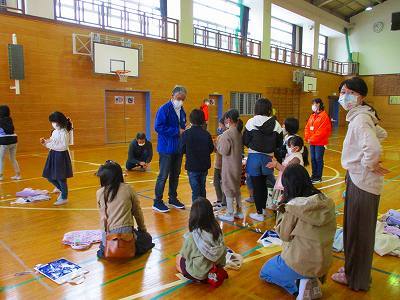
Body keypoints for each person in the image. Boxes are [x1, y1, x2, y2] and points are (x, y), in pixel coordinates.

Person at [331, 77, 390, 291]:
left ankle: (357, 279)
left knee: (359, 233)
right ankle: (351, 270)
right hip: (358, 179)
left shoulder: (361, 119)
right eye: (342, 91)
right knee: (354, 230)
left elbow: (373, 149)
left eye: (347, 91)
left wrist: (367, 163)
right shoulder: (361, 116)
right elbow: (381, 133)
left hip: (363, 182)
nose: (343, 96)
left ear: (360, 96)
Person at [260, 164, 336, 299]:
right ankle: (310, 281)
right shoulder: (326, 201)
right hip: (324, 261)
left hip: (301, 262)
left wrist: (281, 208)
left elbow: (284, 235)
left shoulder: (294, 207)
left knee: (265, 271)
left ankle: (300, 285)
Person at [96, 160, 151, 259]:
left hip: (109, 238)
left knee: (102, 247)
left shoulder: (99, 193)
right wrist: (143, 230)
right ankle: (131, 249)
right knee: (147, 239)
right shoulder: (128, 189)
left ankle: (107, 251)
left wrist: (104, 239)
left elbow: (102, 218)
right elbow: (137, 212)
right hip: (127, 237)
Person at [243, 98, 283, 222]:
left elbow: (245, 140)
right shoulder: (276, 124)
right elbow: (279, 143)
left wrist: (253, 145)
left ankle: (259, 213)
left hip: (254, 157)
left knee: (256, 186)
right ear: (269, 109)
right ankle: (263, 210)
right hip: (268, 158)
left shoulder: (251, 122)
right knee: (265, 185)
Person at [153, 85, 187, 213]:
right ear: (172, 96)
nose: (180, 101)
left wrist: (184, 130)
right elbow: (158, 127)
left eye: (183, 99)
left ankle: (173, 198)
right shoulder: (164, 109)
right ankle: (157, 201)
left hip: (178, 148)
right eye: (179, 98)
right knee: (163, 175)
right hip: (166, 148)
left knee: (175, 175)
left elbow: (182, 125)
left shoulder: (182, 110)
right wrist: (176, 131)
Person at [176, 197, 227, 282]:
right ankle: (211, 275)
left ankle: (201, 278)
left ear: (193, 215)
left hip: (200, 274)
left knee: (178, 259)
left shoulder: (193, 237)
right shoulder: (217, 231)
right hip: (216, 268)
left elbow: (185, 255)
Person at [216, 109, 244, 222]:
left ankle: (230, 213)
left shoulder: (226, 134)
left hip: (229, 166)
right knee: (236, 188)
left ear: (228, 119)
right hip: (237, 165)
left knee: (228, 187)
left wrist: (217, 144)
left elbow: (224, 151)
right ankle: (239, 211)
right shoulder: (238, 132)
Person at [181, 109, 214, 202]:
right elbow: (211, 149)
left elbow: (181, 149)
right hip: (204, 166)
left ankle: (197, 210)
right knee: (202, 188)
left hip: (192, 166)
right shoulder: (206, 134)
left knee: (195, 191)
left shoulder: (186, 134)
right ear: (203, 120)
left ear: (190, 120)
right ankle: (204, 209)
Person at [41, 112, 73, 206]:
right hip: (53, 155)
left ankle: (64, 197)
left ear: (59, 122)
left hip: (60, 156)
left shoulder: (64, 133)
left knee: (61, 178)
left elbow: (63, 147)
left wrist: (48, 145)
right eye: (52, 122)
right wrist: (46, 141)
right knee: (49, 176)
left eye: (54, 122)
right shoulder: (55, 131)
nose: (53, 124)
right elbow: (52, 140)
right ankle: (63, 191)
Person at [267, 136, 309, 206]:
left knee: (285, 202)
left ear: (296, 148)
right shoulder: (292, 155)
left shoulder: (296, 158)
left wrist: (276, 164)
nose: (287, 147)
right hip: (284, 181)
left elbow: (287, 170)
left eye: (290, 146)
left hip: (290, 183)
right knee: (278, 201)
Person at [304, 98, 332, 184]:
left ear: (319, 104)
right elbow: (307, 127)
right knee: (312, 159)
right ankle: (314, 175)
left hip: (320, 142)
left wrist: (311, 138)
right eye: (312, 104)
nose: (313, 105)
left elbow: (322, 131)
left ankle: (318, 177)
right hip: (312, 142)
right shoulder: (312, 116)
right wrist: (307, 137)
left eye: (314, 103)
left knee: (318, 159)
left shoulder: (324, 116)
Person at [0, 105, 21, 180]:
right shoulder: (9, 119)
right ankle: (18, 175)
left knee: (1, 159)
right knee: (12, 158)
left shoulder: (0, 119)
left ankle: (1, 176)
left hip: (5, 140)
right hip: (14, 139)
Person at [213, 118, 227, 210]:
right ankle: (219, 200)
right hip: (217, 164)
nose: (219, 127)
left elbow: (221, 150)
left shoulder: (225, 137)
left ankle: (224, 202)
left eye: (220, 125)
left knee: (223, 183)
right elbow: (215, 150)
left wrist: (215, 145)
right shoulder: (219, 137)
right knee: (216, 182)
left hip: (223, 164)